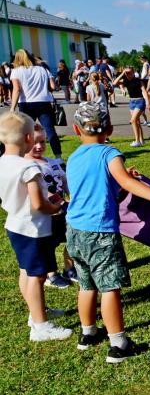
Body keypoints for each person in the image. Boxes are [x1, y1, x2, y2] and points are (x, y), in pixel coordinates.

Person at [66, 100, 150, 361]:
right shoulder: (109, 154)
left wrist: (119, 177)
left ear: (76, 130)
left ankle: (88, 333)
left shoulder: (74, 157)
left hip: (74, 230)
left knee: (86, 284)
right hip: (99, 232)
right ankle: (119, 345)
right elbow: (125, 183)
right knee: (110, 287)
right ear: (109, 128)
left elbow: (94, 185)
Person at [0, 111, 71, 341]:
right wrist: (55, 207)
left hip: (15, 225)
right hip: (34, 228)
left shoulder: (3, 162)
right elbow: (39, 204)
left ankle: (36, 311)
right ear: (29, 138)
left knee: (26, 271)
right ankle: (40, 326)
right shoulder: (29, 168)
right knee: (37, 276)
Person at [26, 123, 75, 288]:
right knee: (48, 246)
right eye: (34, 142)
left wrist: (71, 196)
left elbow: (64, 180)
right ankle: (51, 275)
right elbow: (39, 192)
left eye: (42, 142)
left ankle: (69, 268)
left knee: (71, 238)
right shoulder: (27, 166)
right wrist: (58, 202)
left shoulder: (52, 162)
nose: (39, 146)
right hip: (45, 215)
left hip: (62, 211)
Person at [9, 49, 62, 159]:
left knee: (26, 131)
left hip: (26, 103)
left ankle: (25, 155)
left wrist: (12, 108)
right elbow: (53, 86)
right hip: (43, 102)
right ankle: (58, 157)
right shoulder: (42, 69)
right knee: (50, 130)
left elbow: (17, 89)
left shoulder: (16, 71)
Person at [113, 66, 148, 147]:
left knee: (133, 121)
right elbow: (114, 83)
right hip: (132, 102)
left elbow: (144, 91)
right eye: (126, 73)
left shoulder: (139, 80)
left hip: (140, 101)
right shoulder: (125, 81)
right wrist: (122, 73)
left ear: (133, 72)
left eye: (129, 72)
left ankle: (137, 141)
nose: (128, 74)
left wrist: (147, 102)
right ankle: (142, 141)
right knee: (137, 122)